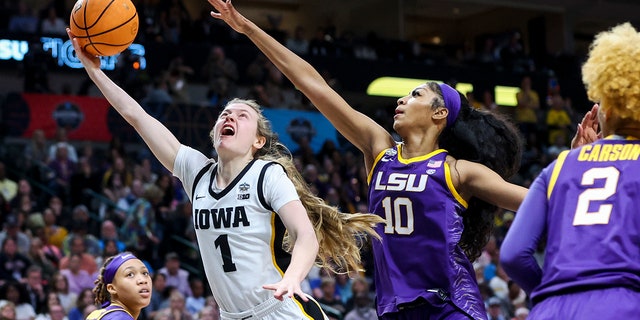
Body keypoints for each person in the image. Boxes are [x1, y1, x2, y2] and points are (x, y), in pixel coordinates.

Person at [207, 1, 527, 319]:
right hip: (393, 308)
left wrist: (577, 162)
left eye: (417, 95)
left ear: (439, 113)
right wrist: (248, 29)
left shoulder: (458, 171)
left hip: (451, 306)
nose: (402, 99)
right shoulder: (380, 150)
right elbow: (312, 84)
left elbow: (539, 200)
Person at [67, 27, 383, 320]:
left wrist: (292, 278)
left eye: (241, 115)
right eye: (224, 114)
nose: (229, 116)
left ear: (259, 141)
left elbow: (305, 236)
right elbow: (136, 115)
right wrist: (93, 70)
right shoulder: (197, 172)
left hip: (280, 308)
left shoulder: (266, 174)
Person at [500, 22, 640, 319]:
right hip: (623, 306)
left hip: (552, 310)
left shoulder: (561, 164)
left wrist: (551, 293)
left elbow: (513, 256)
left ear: (611, 108)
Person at [85, 252, 151, 320]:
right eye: (130, 274)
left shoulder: (97, 314)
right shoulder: (121, 318)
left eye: (145, 273)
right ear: (112, 288)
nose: (143, 280)